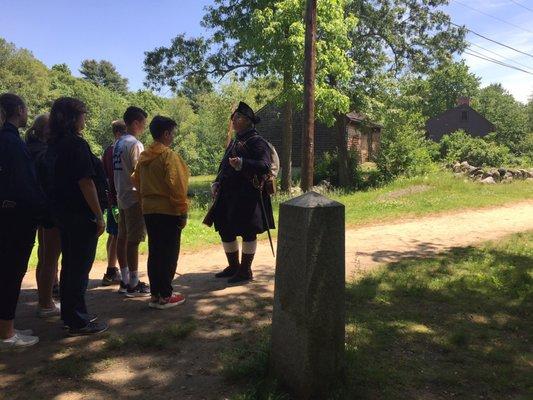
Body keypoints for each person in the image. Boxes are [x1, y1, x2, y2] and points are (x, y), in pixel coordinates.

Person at [47, 97, 108, 336]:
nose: (85, 118)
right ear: (72, 118)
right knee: (79, 268)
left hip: (64, 214)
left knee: (70, 265)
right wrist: (98, 215)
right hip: (81, 215)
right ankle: (79, 321)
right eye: (82, 113)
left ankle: (71, 315)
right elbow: (86, 182)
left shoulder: (56, 144)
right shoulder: (75, 145)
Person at [210, 102, 275, 284]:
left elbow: (264, 166)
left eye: (237, 117)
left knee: (248, 232)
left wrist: (243, 163)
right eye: (233, 117)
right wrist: (217, 181)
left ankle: (245, 270)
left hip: (247, 195)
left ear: (247, 121)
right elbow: (223, 165)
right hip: (228, 194)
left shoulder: (257, 142)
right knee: (225, 229)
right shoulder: (234, 141)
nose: (234, 120)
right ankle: (233, 266)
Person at [0, 93, 46, 348]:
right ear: (19, 109)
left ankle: (7, 326)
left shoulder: (7, 139)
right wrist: (40, 209)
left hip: (10, 214)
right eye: (26, 108)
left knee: (8, 270)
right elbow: (23, 183)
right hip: (17, 217)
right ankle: (6, 334)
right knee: (11, 271)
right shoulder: (11, 141)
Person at [132, 116, 189, 309]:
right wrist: (182, 210)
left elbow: (136, 181)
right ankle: (165, 295)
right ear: (165, 134)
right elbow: (177, 186)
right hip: (168, 211)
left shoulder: (144, 157)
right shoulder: (168, 156)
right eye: (172, 133)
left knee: (155, 252)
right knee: (169, 253)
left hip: (149, 210)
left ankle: (155, 294)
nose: (172, 137)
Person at [26, 114, 62, 317]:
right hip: (49, 209)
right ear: (46, 130)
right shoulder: (44, 152)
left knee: (44, 255)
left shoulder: (29, 148)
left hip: (36, 209)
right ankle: (46, 303)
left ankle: (45, 298)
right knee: (50, 257)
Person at [113, 106, 150, 297]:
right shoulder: (135, 144)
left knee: (123, 237)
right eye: (143, 123)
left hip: (121, 195)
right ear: (135, 123)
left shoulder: (118, 143)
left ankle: (125, 279)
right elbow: (139, 173)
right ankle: (134, 283)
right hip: (134, 196)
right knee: (133, 240)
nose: (144, 127)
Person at [101, 119, 126, 286]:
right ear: (117, 133)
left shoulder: (108, 151)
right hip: (117, 200)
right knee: (118, 235)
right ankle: (111, 271)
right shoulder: (115, 150)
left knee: (113, 234)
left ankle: (111, 269)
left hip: (112, 199)